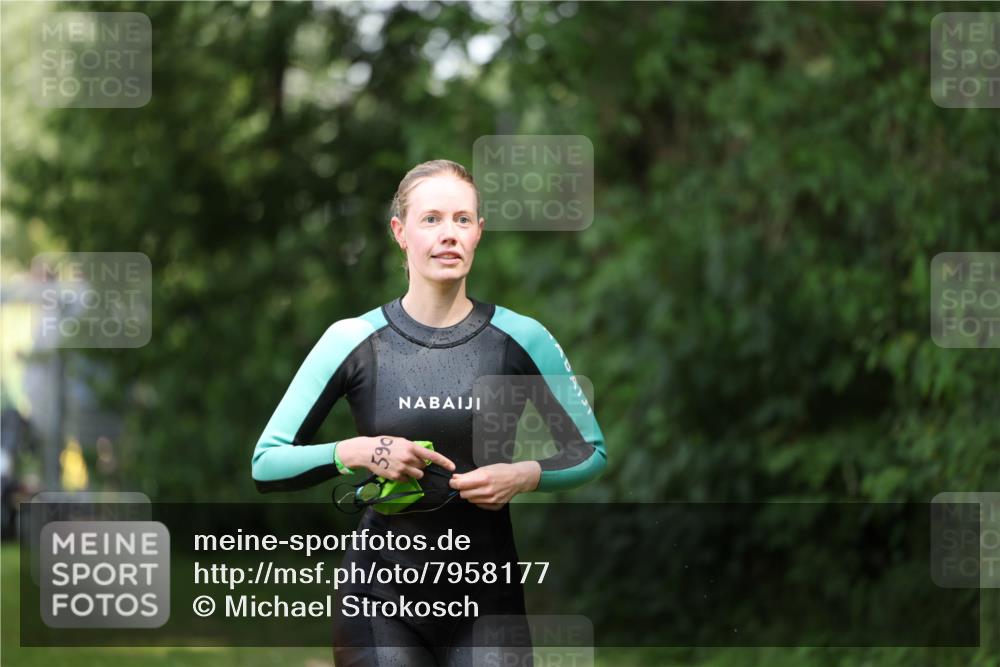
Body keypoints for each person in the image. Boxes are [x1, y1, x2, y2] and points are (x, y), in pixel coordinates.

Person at [251, 159, 607, 666]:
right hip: (379, 603)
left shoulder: (521, 337)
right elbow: (266, 462)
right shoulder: (352, 340)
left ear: (479, 233)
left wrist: (524, 474)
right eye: (432, 219)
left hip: (487, 605)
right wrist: (360, 452)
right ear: (400, 232)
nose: (449, 234)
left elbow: (589, 451)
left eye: (463, 220)